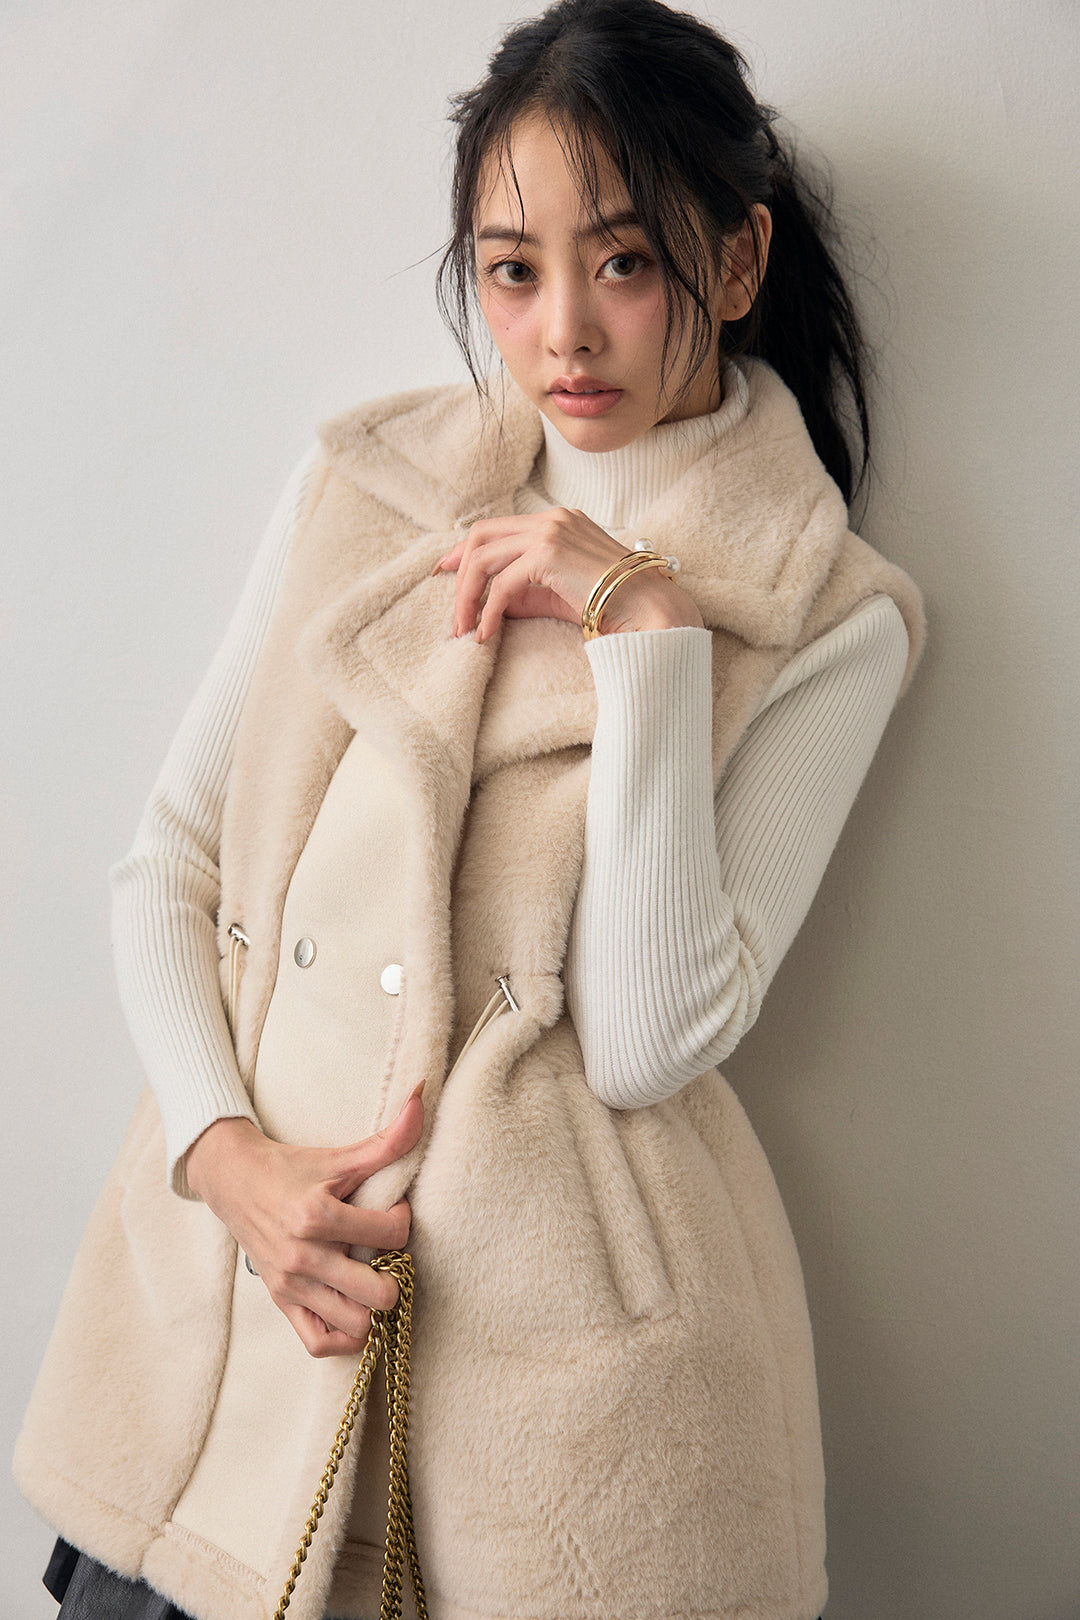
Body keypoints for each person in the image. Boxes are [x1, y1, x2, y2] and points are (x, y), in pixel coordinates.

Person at [16, 2, 924, 1618]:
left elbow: (648, 1039)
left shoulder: (828, 615)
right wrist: (227, 1161)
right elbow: (173, 862)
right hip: (239, 1302)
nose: (564, 329)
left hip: (539, 1399)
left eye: (624, 261)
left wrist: (648, 630)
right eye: (512, 270)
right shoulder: (367, 492)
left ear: (735, 262)